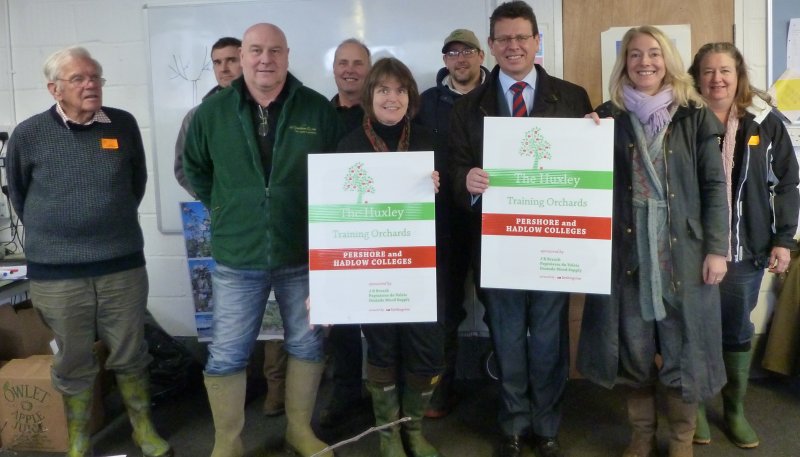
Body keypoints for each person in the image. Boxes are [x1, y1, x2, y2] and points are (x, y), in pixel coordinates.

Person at [183, 23, 342, 457]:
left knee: (307, 344)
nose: (264, 59)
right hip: (238, 256)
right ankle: (227, 443)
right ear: (243, 55)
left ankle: (298, 431)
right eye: (255, 50)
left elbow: (338, 175)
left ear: (288, 56)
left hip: (302, 252)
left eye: (274, 50)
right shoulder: (211, 114)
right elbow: (195, 168)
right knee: (227, 354)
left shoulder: (315, 110)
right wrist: (227, 206)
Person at [6, 46, 173, 457]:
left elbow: (135, 185)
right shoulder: (28, 134)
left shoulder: (123, 124)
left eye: (95, 77)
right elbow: (21, 199)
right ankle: (79, 439)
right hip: (57, 273)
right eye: (79, 79)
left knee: (131, 352)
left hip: (121, 266)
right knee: (73, 359)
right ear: (54, 89)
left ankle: (143, 429)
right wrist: (63, 234)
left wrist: (106, 225)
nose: (91, 85)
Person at [577, 26, 729, 457]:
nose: (645, 62)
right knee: (634, 350)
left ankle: (681, 440)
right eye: (635, 54)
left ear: (668, 61)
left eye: (654, 54)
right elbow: (582, 183)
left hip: (684, 252)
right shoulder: (606, 116)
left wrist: (717, 248)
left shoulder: (694, 114)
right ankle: (641, 435)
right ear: (623, 62)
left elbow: (714, 187)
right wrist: (585, 139)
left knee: (684, 350)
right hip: (628, 254)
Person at [448, 2, 591, 456]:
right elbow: (453, 169)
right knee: (507, 337)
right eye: (504, 39)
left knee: (549, 338)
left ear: (536, 42)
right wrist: (465, 181)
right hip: (498, 247)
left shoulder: (573, 98)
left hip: (554, 245)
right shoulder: (468, 107)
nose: (513, 46)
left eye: (521, 37)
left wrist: (594, 137)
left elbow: (589, 171)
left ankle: (547, 425)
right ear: (491, 46)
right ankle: (513, 422)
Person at [687, 42, 799, 449]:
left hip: (746, 248)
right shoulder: (684, 118)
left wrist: (784, 240)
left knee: (735, 329)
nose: (717, 79)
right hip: (692, 248)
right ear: (696, 76)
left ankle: (733, 410)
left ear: (739, 76)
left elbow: (787, 182)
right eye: (708, 71)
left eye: (726, 71)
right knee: (695, 331)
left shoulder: (765, 121)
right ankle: (696, 408)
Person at [337, 57, 443, 457]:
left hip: (422, 266)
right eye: (383, 89)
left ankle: (412, 430)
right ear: (370, 95)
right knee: (381, 349)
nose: (392, 97)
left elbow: (453, 202)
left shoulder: (430, 139)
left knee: (426, 349)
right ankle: (388, 436)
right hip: (371, 267)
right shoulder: (349, 146)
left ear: (410, 97)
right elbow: (337, 213)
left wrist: (437, 188)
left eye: (400, 90)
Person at [416, 28, 488, 419]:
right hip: (441, 221)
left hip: (491, 220)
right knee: (443, 308)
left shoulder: (498, 97)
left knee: (499, 306)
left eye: (467, 52)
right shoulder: (426, 102)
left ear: (481, 55)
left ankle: (505, 395)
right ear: (445, 60)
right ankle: (439, 392)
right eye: (452, 53)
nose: (460, 59)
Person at [319, 37, 372, 428]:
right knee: (340, 320)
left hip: (382, 232)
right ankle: (346, 393)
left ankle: (383, 394)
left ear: (368, 70)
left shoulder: (383, 112)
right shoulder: (319, 115)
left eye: (357, 63)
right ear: (334, 69)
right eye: (343, 63)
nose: (350, 69)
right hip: (335, 231)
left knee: (381, 317)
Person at [174, 36, 242, 197]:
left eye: (231, 60)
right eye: (217, 62)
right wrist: (216, 202)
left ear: (246, 61)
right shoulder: (197, 116)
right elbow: (184, 167)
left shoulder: (266, 109)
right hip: (225, 213)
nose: (223, 68)